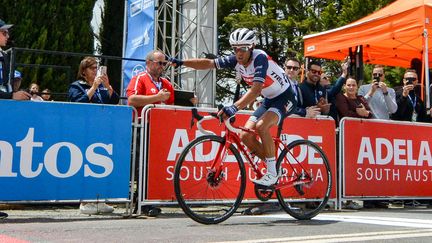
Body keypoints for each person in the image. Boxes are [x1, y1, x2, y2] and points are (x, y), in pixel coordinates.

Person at [169, 28, 297, 186]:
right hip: (269, 99)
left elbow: (256, 89)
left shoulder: (260, 58)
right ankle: (275, 167)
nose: (239, 53)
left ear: (251, 47)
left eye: (243, 49)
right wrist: (182, 62)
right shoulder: (236, 60)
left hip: (285, 97)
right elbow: (209, 63)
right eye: (235, 49)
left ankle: (272, 173)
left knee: (261, 126)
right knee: (245, 136)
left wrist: (234, 107)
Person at [68, 57, 118, 215]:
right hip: (83, 129)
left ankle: (99, 199)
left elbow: (114, 101)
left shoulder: (102, 87)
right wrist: (94, 87)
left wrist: (108, 86)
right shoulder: (77, 86)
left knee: (101, 165)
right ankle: (85, 200)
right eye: (92, 68)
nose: (95, 71)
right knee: (85, 165)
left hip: (101, 130)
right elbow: (78, 103)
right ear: (83, 71)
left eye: (97, 67)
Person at [0, 19, 30, 101]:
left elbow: (5, 84)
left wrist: (15, 93)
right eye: (4, 33)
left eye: (7, 33)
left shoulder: (4, 54)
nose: (8, 36)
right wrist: (11, 96)